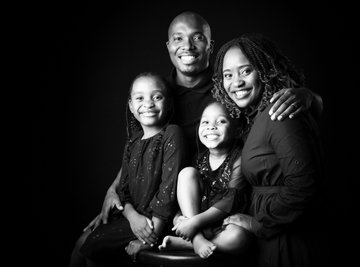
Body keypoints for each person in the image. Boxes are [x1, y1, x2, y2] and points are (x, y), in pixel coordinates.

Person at [83, 11, 323, 251]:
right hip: (167, 206)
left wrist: (309, 97)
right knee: (84, 245)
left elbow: (269, 115)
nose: (187, 46)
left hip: (225, 201)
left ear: (210, 45)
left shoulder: (226, 90)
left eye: (197, 37)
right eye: (178, 38)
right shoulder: (158, 94)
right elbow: (142, 145)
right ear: (168, 46)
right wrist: (114, 190)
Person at [212, 33, 325, 267]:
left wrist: (259, 223)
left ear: (266, 70)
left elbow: (304, 186)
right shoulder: (254, 117)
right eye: (228, 75)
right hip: (270, 241)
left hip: (288, 243)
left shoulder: (280, 114)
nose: (236, 82)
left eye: (245, 71)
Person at [69, 72, 187, 267]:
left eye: (156, 97)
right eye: (140, 98)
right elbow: (123, 190)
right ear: (131, 106)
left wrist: (150, 236)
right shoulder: (132, 142)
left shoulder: (172, 134)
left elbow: (169, 191)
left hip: (157, 222)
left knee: (92, 247)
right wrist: (132, 216)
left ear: (169, 104)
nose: (148, 104)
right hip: (132, 217)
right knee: (81, 243)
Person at [158, 101, 252, 259]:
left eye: (221, 121)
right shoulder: (199, 158)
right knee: (186, 174)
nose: (211, 127)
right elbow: (188, 193)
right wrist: (185, 218)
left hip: (223, 221)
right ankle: (197, 239)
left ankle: (188, 242)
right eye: (205, 122)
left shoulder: (239, 158)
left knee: (239, 238)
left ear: (237, 130)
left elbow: (231, 200)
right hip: (197, 217)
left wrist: (194, 223)